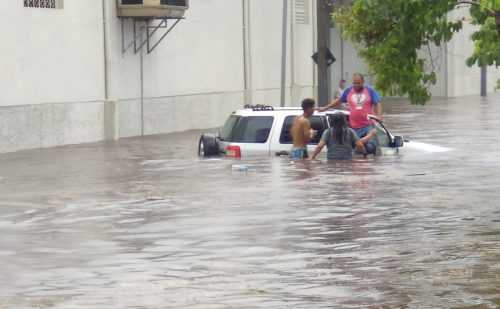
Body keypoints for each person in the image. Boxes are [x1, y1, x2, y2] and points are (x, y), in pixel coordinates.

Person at [318, 73, 382, 154]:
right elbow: (339, 100)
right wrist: (325, 108)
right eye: (354, 83)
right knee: (355, 150)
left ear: (363, 82)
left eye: (358, 83)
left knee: (371, 148)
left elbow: (377, 103)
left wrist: (379, 116)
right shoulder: (348, 91)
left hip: (368, 125)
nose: (356, 85)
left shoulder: (370, 90)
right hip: (354, 128)